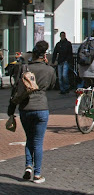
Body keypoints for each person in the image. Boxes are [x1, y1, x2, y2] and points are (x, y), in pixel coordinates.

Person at [7, 41, 56, 184]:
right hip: (41, 108)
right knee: (38, 142)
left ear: (33, 54)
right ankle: (37, 174)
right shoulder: (49, 70)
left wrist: (11, 110)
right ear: (44, 55)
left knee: (29, 139)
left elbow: (15, 89)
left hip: (25, 108)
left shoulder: (24, 68)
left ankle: (28, 166)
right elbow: (53, 85)